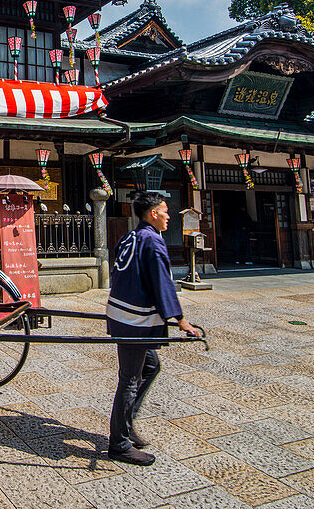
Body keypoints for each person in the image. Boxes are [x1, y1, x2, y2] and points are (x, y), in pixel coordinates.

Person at [106, 191, 201, 466]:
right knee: (130, 379)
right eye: (165, 210)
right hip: (134, 320)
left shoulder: (129, 237)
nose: (169, 216)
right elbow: (163, 283)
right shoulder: (152, 241)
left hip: (121, 312)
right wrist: (180, 319)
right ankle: (119, 444)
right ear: (153, 214)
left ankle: (127, 421)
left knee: (150, 366)